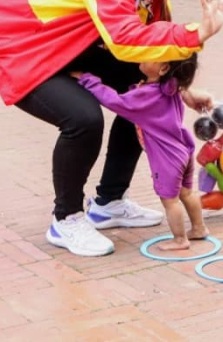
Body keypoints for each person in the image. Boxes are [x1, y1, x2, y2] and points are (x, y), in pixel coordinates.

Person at [0, 0, 223, 257]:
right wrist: (195, 33)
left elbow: (150, 40)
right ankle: (67, 219)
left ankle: (108, 203)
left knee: (144, 93)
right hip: (13, 44)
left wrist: (179, 89)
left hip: (72, 42)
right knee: (83, 119)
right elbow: (124, 40)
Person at [74, 55, 208, 252]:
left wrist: (88, 80)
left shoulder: (146, 96)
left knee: (170, 201)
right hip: (183, 150)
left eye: (149, 55)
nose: (143, 55)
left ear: (162, 68)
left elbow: (114, 101)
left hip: (167, 159)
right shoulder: (172, 85)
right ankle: (199, 228)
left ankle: (180, 240)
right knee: (187, 193)